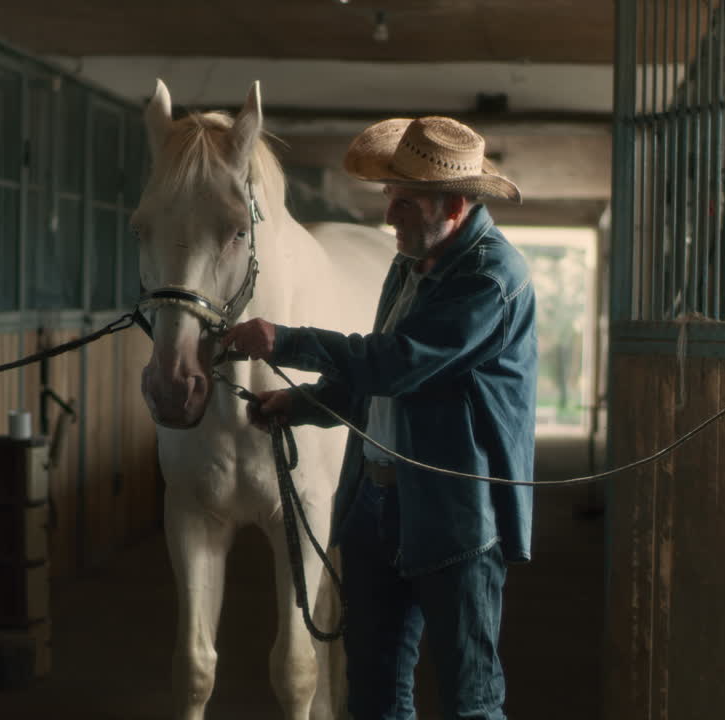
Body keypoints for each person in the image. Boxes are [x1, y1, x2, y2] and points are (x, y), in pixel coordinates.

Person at [222, 116, 537, 720]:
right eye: (389, 196)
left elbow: (398, 364)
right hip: (377, 503)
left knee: (470, 701)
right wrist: (305, 404)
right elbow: (378, 382)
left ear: (452, 203)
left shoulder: (490, 278)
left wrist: (285, 341)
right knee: (372, 696)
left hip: (457, 517)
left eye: (404, 201)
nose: (389, 214)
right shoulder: (411, 262)